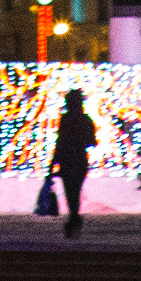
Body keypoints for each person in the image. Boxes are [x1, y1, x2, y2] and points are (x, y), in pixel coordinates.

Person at [50, 87, 96, 238]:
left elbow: (60, 141)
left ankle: (73, 218)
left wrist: (53, 162)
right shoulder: (86, 119)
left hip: (67, 160)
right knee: (75, 190)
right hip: (80, 160)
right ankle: (74, 218)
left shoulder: (65, 119)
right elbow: (92, 141)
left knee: (70, 192)